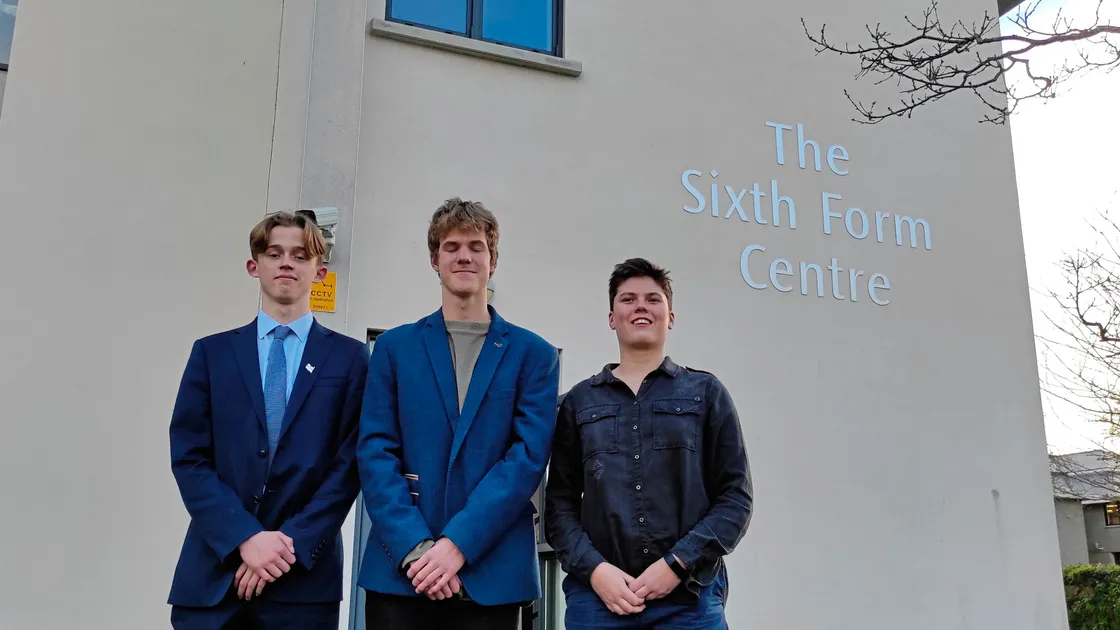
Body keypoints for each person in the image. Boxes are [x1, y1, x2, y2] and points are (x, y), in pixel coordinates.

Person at [356, 197, 560, 629]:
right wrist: (416, 547)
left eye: (476, 246)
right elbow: (375, 452)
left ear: (494, 260)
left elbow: (525, 461)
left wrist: (457, 545)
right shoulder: (394, 349)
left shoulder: (534, 355)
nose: (464, 255)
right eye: (451, 246)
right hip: (402, 570)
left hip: (491, 573)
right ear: (435, 260)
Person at [167, 211, 369, 629]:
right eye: (274, 253)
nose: (286, 263)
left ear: (319, 271)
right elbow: (190, 458)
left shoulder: (350, 359)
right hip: (213, 579)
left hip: (303, 586)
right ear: (253, 266)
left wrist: (287, 546)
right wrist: (244, 537)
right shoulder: (211, 354)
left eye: (300, 255)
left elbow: (349, 465)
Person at [544, 257, 753, 629]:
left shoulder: (706, 393)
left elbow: (735, 498)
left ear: (670, 317)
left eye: (653, 299)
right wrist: (596, 571)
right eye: (628, 299)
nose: (641, 306)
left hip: (689, 599)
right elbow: (559, 507)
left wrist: (677, 563)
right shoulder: (578, 403)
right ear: (612, 318)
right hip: (598, 601)